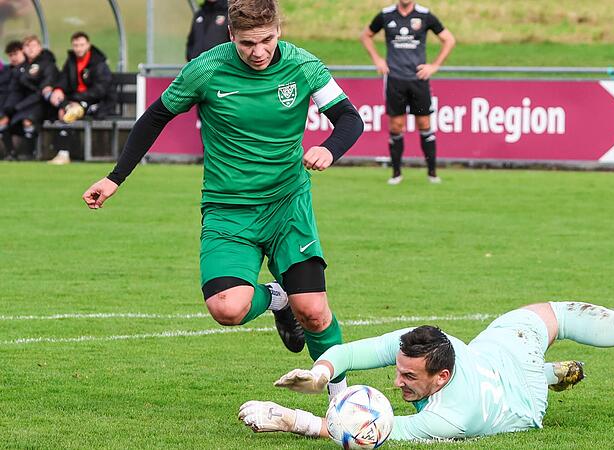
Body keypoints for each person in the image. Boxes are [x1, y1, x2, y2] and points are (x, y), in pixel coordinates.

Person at [82, 0, 365, 399]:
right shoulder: (207, 68)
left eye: (267, 40)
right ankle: (276, 298)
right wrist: (115, 178)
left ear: (278, 31)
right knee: (227, 308)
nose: (259, 51)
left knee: (315, 312)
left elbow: (350, 119)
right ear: (232, 36)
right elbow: (155, 117)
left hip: (288, 206)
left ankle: (343, 402)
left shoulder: (302, 65)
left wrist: (330, 149)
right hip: (228, 211)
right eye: (248, 43)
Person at [238, 302, 614, 441]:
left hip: (526, 401)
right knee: (564, 315)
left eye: (408, 378)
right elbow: (349, 351)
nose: (396, 380)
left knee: (562, 319)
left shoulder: (450, 419)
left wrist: (287, 418)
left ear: (440, 377)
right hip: (500, 355)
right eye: (398, 370)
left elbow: (364, 431)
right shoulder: (431, 344)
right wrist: (322, 373)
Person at [360, 0, 456, 185]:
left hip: (418, 79)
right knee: (396, 126)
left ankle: (432, 174)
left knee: (424, 123)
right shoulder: (386, 15)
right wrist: (378, 60)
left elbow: (449, 39)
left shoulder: (425, 15)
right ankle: (396, 174)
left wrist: (435, 65)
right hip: (395, 79)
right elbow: (366, 36)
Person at [46, 31, 114, 165]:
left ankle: (63, 154)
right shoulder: (71, 61)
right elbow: (63, 80)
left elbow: (100, 90)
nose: (78, 48)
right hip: (75, 100)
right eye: (75, 45)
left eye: (81, 45)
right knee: (63, 109)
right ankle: (62, 153)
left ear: (88, 45)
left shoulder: (98, 63)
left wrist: (74, 101)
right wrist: (58, 89)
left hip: (98, 102)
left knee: (70, 112)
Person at [0, 35, 57, 160]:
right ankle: (12, 154)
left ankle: (29, 155)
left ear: (39, 47)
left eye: (33, 46)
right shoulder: (20, 68)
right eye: (27, 46)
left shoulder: (47, 64)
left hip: (42, 105)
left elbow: (42, 91)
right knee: (3, 119)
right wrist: (9, 107)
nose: (30, 49)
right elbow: (14, 91)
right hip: (23, 105)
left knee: (28, 120)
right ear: (24, 49)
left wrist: (18, 106)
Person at [0, 40, 23, 159]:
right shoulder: (6, 71)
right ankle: (11, 153)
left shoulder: (27, 70)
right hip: (6, 106)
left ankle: (21, 153)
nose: (13, 58)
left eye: (16, 54)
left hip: (20, 108)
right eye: (10, 55)